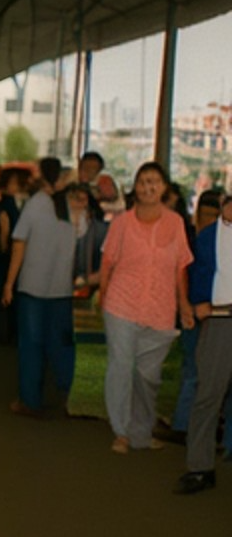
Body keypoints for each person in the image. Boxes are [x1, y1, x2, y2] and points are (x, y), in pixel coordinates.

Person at [95, 162, 195, 453]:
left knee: (148, 375)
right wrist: (103, 294)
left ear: (164, 188)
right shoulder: (122, 223)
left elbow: (180, 268)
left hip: (160, 309)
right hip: (121, 304)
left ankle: (141, 431)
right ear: (135, 187)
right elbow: (107, 261)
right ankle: (122, 432)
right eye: (142, 181)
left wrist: (184, 305)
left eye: (154, 182)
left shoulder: (175, 223)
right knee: (121, 367)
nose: (147, 187)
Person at [3, 170, 80, 417]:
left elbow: (19, 244)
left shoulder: (35, 204)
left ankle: (30, 399)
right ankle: (69, 396)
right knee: (61, 344)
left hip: (32, 287)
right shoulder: (73, 206)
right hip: (62, 288)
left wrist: (9, 283)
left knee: (31, 345)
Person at [179, 197, 232, 492]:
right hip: (220, 319)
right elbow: (198, 272)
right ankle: (200, 467)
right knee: (208, 394)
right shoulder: (210, 236)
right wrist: (199, 302)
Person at [0, 167, 28, 344]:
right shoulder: (12, 205)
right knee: (9, 293)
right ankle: (11, 332)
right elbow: (5, 230)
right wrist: (6, 250)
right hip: (7, 254)